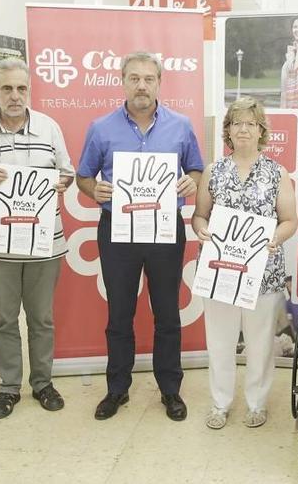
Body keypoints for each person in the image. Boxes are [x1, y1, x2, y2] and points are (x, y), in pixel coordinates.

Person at [76, 51, 205, 422]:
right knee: (120, 312)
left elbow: (196, 168)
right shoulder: (101, 128)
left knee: (167, 312)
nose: (142, 85)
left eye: (149, 78)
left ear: (160, 83)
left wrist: (190, 181)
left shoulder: (181, 126)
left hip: (165, 229)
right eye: (134, 78)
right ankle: (117, 389)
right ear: (122, 80)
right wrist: (92, 190)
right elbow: (85, 175)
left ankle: (171, 390)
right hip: (117, 231)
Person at [0, 58, 75, 420]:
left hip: (44, 242)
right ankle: (8, 387)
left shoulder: (49, 127)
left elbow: (68, 172)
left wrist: (61, 182)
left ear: (30, 90)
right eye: (7, 88)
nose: (15, 96)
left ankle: (42, 383)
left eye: (21, 88)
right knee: (5, 319)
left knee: (42, 318)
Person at [191, 97, 297, 429]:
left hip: (263, 272)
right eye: (237, 122)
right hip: (220, 271)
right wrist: (202, 230)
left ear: (261, 130)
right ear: (228, 130)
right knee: (220, 341)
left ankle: (257, 403)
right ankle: (220, 403)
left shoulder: (277, 173)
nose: (243, 129)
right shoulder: (213, 170)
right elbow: (199, 215)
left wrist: (275, 238)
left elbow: (289, 220)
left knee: (260, 342)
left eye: (251, 123)